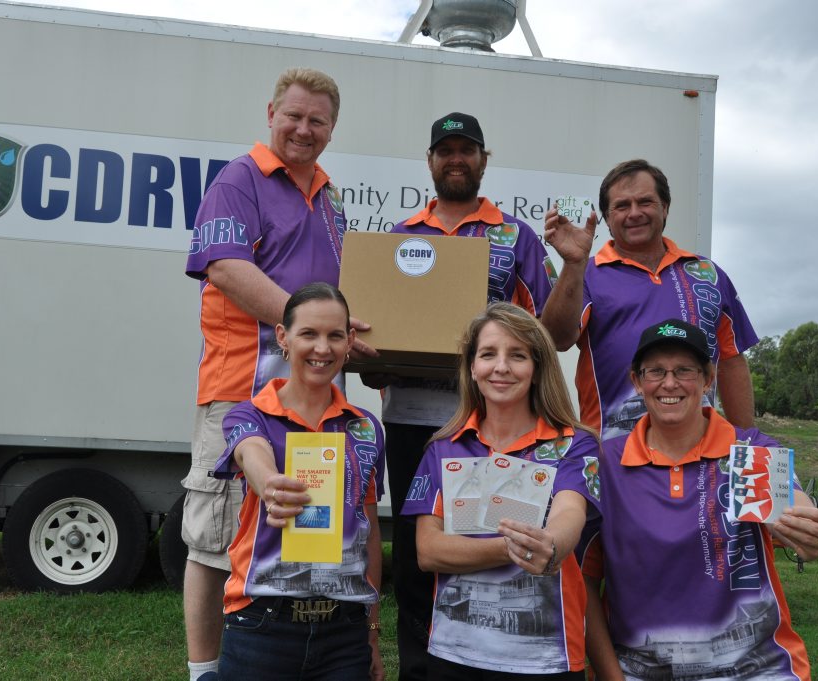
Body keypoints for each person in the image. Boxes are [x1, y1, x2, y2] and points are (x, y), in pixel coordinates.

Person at [181, 67, 373, 681]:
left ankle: (285, 657)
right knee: (216, 543)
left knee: (299, 532)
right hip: (243, 391)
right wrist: (315, 325)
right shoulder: (241, 179)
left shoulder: (330, 197)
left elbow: (339, 296)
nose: (303, 128)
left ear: (331, 130)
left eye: (317, 120)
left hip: (314, 401)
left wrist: (348, 335)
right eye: (294, 115)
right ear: (270, 113)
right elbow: (227, 269)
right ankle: (204, 670)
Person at [377, 112, 564, 681]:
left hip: (495, 420)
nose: (455, 159)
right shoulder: (399, 236)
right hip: (412, 421)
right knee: (415, 555)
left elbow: (552, 333)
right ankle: (422, 668)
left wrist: (575, 264)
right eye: (445, 150)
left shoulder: (515, 236)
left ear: (484, 159)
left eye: (467, 150)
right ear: (430, 161)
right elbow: (377, 339)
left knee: (493, 531)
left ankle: (495, 660)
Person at [581, 319, 818, 680]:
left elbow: (789, 504)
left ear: (707, 379)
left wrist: (806, 526)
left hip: (758, 669)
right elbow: (584, 583)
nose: (669, 383)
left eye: (684, 370)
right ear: (637, 382)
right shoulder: (606, 463)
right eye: (656, 370)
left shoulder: (747, 450)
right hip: (639, 671)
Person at [401, 302, 601, 680]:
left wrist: (552, 545)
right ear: (472, 368)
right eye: (488, 354)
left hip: (547, 660)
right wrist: (519, 547)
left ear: (538, 368)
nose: (502, 367)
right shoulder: (444, 447)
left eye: (518, 355)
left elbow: (569, 516)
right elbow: (428, 551)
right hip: (454, 657)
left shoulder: (576, 445)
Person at [212, 283, 386, 681]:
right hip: (262, 625)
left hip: (345, 632)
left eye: (334, 335)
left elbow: (370, 531)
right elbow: (250, 453)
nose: (322, 349)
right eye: (308, 334)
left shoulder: (365, 428)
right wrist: (270, 483)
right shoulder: (249, 415)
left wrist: (372, 633)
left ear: (350, 341)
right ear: (283, 337)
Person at [542, 159, 758, 440]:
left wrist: (749, 444)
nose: (634, 213)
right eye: (621, 206)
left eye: (645, 202)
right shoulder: (586, 274)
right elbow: (556, 339)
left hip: (699, 455)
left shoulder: (708, 275)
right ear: (607, 217)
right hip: (612, 456)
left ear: (665, 207)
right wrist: (573, 264)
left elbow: (731, 362)